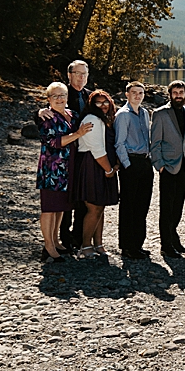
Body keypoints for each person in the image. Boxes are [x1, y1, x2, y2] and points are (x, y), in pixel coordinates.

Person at [37, 60, 92, 250]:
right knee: (52, 206)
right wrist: (39, 112)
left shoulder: (88, 97)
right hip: (53, 165)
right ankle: (53, 243)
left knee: (68, 202)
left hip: (74, 160)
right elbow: (47, 132)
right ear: (69, 75)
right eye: (78, 73)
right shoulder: (52, 107)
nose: (81, 77)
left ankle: (70, 240)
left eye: (84, 74)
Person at [150, 80, 185, 259]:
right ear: (170, 94)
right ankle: (165, 245)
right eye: (175, 92)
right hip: (168, 166)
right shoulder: (160, 114)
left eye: (181, 92)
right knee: (166, 207)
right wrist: (159, 165)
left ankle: (174, 237)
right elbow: (155, 143)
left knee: (178, 206)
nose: (178, 95)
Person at [72, 90, 119, 259]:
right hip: (92, 165)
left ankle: (98, 244)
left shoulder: (104, 120)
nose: (103, 105)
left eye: (105, 102)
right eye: (98, 103)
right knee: (93, 207)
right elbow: (96, 149)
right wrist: (108, 170)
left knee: (101, 206)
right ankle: (85, 246)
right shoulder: (91, 119)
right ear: (92, 105)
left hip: (101, 164)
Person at [114, 81, 154, 260]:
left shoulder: (144, 113)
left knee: (142, 205)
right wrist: (127, 165)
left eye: (140, 93)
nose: (137, 96)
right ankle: (127, 247)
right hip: (130, 163)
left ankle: (138, 244)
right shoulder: (122, 115)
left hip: (145, 163)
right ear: (127, 95)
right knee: (129, 206)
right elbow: (119, 143)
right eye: (134, 93)